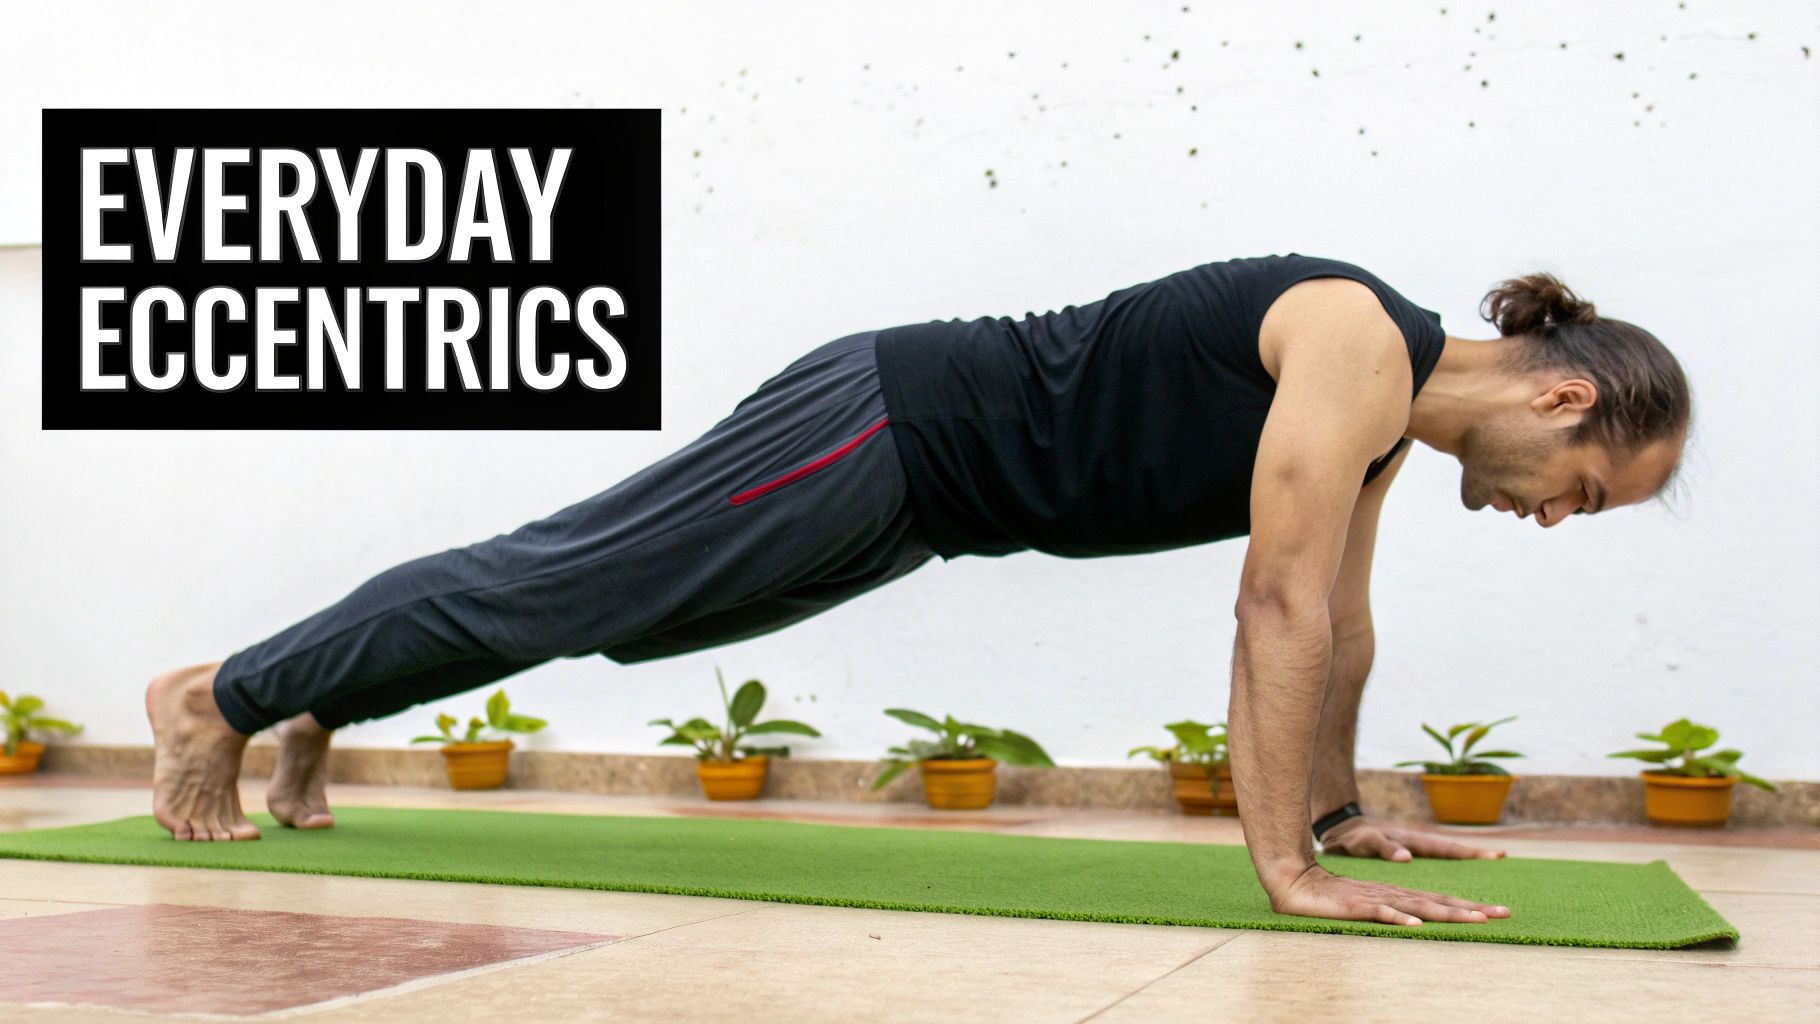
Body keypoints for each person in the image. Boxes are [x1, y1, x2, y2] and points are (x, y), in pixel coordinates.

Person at [145, 252, 1691, 929]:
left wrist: (1342, 818)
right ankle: (220, 695)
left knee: (622, 620)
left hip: (923, 506)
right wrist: (1285, 867)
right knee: (561, 584)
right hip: (885, 428)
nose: (1559, 519)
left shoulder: (1386, 422)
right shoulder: (1357, 338)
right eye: (1589, 490)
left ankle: (319, 697)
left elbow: (1340, 632)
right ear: (1564, 401)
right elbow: (1276, 611)